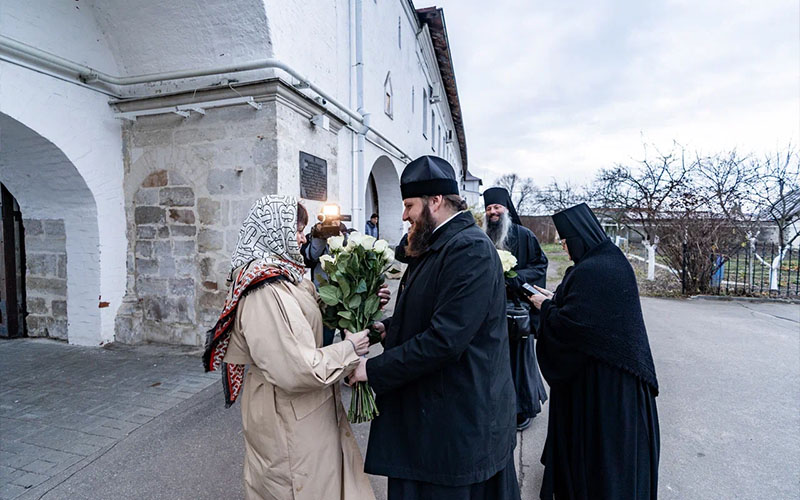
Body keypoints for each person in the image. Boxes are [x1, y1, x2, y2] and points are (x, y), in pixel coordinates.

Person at [348, 156, 519, 500]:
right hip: (436, 418)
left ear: (435, 201)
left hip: (455, 424)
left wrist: (373, 369)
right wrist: (385, 328)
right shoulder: (438, 243)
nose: (404, 214)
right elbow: (433, 312)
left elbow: (445, 340)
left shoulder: (468, 250)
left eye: (409, 205)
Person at [203, 195, 376, 500]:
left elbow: (308, 310)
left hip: (303, 411)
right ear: (272, 231)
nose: (301, 237)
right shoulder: (263, 291)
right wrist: (349, 349)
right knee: (297, 486)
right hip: (285, 413)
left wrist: (357, 300)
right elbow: (296, 370)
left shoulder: (287, 277)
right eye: (295, 229)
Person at [527, 203, 660, 500]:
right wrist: (555, 298)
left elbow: (575, 326)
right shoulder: (605, 259)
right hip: (609, 377)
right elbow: (580, 307)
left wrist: (544, 306)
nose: (564, 247)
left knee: (603, 463)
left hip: (608, 388)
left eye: (565, 241)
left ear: (579, 237)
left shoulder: (596, 269)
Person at [483, 186, 549, 431]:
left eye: (497, 207)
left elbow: (540, 265)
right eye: (489, 208)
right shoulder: (482, 236)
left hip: (516, 310)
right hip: (488, 311)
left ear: (506, 209)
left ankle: (523, 408)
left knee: (518, 361)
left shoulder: (524, 235)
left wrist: (515, 276)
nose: (493, 212)